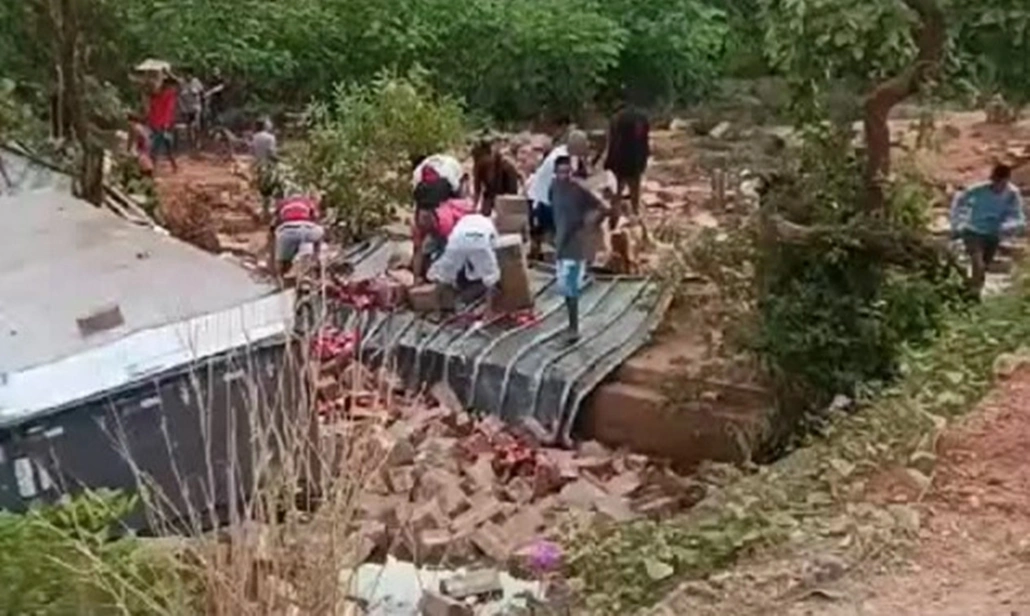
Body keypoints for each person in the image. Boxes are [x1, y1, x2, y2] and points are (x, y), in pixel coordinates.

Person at [550, 155, 609, 343]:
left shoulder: (579, 189)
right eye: (560, 172)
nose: (564, 176)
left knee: (571, 287)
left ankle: (574, 328)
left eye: (567, 172)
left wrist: (589, 222)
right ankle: (570, 325)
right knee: (565, 288)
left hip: (575, 244)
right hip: (560, 242)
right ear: (555, 173)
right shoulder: (553, 189)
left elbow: (604, 207)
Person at [950, 163, 1026, 296]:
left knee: (983, 267)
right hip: (973, 231)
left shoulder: (1012, 194)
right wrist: (957, 222)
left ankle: (973, 291)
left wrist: (1009, 226)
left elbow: (1018, 216)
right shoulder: (979, 189)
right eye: (996, 182)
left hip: (993, 235)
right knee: (977, 263)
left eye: (1002, 183)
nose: (998, 186)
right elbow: (959, 198)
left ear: (1007, 181)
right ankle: (972, 293)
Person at [525, 130, 591, 259]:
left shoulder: (564, 152)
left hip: (544, 196)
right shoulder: (562, 158)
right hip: (541, 198)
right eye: (584, 145)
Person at [425, 211, 501, 309]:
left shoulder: (466, 219)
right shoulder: (490, 225)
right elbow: (495, 247)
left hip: (457, 240)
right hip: (479, 240)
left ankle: (435, 306)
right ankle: (489, 312)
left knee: (445, 275)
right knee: (491, 277)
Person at [602, 97, 650, 228]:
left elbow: (612, 144)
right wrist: (644, 161)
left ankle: (614, 225)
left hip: (619, 163)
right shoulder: (642, 117)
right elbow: (645, 142)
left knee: (616, 195)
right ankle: (637, 224)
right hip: (636, 162)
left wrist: (607, 163)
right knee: (635, 196)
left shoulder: (616, 119)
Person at [412, 196, 474, 281]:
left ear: (432, 219)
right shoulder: (419, 226)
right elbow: (418, 251)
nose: (423, 228)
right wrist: (416, 278)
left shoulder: (446, 224)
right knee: (427, 248)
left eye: (426, 225)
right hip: (440, 234)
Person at [273, 190, 324, 276]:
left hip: (287, 232)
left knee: (282, 259)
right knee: (320, 232)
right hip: (307, 230)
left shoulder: (283, 204)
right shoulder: (307, 202)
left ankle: (282, 273)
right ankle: (317, 258)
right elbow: (316, 217)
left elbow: (275, 221)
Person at [472, 138, 521, 216]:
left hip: (491, 200)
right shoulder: (508, 166)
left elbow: (477, 189)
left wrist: (473, 208)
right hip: (507, 202)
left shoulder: (480, 163)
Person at [147, 73, 179, 173]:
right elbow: (167, 110)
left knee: (159, 147)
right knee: (161, 146)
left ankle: (156, 167)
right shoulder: (167, 95)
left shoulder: (160, 95)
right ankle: (170, 166)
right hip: (161, 124)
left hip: (160, 124)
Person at [251, 118, 279, 215]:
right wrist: (279, 160)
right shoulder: (270, 138)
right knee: (270, 187)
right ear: (265, 126)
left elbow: (253, 152)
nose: (270, 125)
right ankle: (268, 210)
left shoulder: (255, 137)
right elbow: (271, 153)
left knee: (262, 187)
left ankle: (264, 209)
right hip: (268, 165)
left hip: (258, 164)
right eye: (269, 123)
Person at [179, 70, 204, 150]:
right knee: (189, 127)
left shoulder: (196, 82)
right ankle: (192, 143)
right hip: (187, 108)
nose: (187, 76)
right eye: (186, 74)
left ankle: (198, 142)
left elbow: (202, 93)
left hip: (195, 107)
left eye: (189, 74)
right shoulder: (182, 82)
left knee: (197, 126)